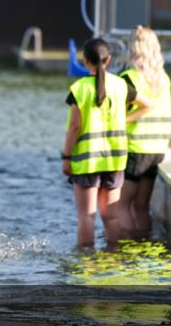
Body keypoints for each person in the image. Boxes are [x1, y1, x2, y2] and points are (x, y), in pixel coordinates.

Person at [61, 38, 149, 249]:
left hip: (86, 161)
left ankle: (86, 261)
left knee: (86, 217)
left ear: (85, 61)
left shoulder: (79, 89)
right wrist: (125, 120)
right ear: (108, 60)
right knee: (111, 216)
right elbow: (147, 105)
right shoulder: (120, 86)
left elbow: (74, 127)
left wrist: (66, 157)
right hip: (115, 160)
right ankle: (114, 256)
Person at [119, 26, 171, 240]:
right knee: (141, 206)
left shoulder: (129, 78)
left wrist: (121, 122)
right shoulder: (163, 79)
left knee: (122, 204)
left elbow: (126, 111)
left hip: (135, 148)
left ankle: (124, 247)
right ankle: (143, 244)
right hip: (157, 149)